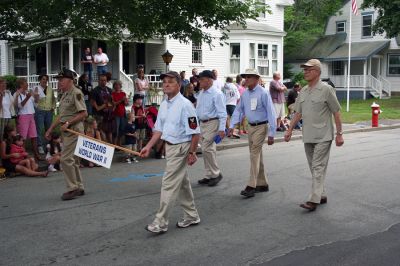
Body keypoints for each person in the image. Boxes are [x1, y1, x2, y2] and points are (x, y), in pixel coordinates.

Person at [140, 71, 201, 234]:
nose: (166, 84)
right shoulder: (165, 103)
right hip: (170, 147)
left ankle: (160, 222)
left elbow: (195, 132)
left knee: (168, 183)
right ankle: (191, 215)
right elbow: (159, 129)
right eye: (164, 82)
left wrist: (192, 152)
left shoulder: (186, 105)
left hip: (181, 147)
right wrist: (148, 146)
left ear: (179, 85)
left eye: (170, 82)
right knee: (182, 183)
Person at [284, 59, 344, 211]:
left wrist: (339, 134)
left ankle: (313, 199)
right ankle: (321, 194)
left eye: (308, 69)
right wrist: (289, 130)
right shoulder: (303, 90)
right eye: (304, 70)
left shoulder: (327, 89)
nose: (305, 72)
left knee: (317, 166)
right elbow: (298, 113)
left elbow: (336, 112)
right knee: (314, 167)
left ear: (317, 71)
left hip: (324, 135)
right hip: (308, 135)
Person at [228, 69, 277, 198]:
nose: (246, 79)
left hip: (261, 126)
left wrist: (272, 132)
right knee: (257, 155)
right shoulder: (245, 94)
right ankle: (262, 183)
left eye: (249, 77)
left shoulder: (263, 93)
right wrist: (232, 125)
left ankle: (251, 185)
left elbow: (271, 113)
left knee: (254, 154)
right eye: (245, 77)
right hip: (251, 127)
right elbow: (239, 111)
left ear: (256, 79)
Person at [45, 68, 88, 201]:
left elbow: (84, 113)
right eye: (58, 80)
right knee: (73, 160)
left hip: (74, 130)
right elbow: (61, 116)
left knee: (65, 159)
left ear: (70, 80)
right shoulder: (64, 94)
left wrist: (68, 123)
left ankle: (72, 188)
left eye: (61, 80)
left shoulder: (76, 93)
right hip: (67, 131)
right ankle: (79, 186)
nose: (59, 82)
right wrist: (50, 129)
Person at [196, 70, 227, 186]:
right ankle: (209, 175)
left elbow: (222, 113)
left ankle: (216, 173)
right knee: (207, 149)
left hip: (213, 122)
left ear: (209, 80)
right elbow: (198, 110)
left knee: (206, 148)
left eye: (201, 79)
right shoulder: (201, 93)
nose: (199, 81)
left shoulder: (217, 94)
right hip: (202, 123)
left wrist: (222, 129)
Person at [14, 78, 41, 160]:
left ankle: (36, 154)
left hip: (31, 115)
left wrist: (36, 97)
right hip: (23, 116)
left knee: (34, 136)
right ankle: (23, 155)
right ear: (21, 85)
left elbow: (35, 104)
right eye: (25, 83)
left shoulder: (27, 93)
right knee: (23, 137)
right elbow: (19, 106)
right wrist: (27, 97)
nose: (27, 84)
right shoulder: (17, 94)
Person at [33, 74, 56, 155]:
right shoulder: (36, 88)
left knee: (49, 129)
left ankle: (48, 146)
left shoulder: (50, 89)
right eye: (43, 79)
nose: (45, 81)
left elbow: (53, 99)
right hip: (40, 111)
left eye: (46, 79)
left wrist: (53, 107)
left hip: (49, 111)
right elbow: (34, 101)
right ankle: (40, 146)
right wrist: (36, 96)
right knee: (39, 128)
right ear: (40, 80)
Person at [91, 74, 113, 142]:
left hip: (108, 115)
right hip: (98, 115)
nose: (103, 82)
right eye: (102, 80)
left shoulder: (109, 90)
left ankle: (111, 147)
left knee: (109, 131)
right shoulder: (95, 91)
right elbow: (95, 106)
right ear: (98, 81)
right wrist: (104, 105)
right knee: (100, 131)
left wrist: (108, 107)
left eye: (105, 80)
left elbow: (112, 102)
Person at [112, 80, 127, 145]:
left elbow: (126, 104)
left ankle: (119, 143)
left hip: (123, 113)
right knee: (116, 129)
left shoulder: (123, 93)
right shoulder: (112, 94)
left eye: (118, 85)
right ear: (114, 86)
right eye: (116, 85)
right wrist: (121, 100)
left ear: (120, 86)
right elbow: (114, 103)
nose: (117, 86)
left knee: (121, 129)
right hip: (116, 114)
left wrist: (125, 100)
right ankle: (114, 144)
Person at [0, 77, 15, 143]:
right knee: (1, 135)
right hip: (1, 117)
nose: (4, 85)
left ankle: (7, 150)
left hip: (8, 116)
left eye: (5, 83)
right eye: (2, 83)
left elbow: (12, 104)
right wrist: (1, 96)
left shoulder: (8, 93)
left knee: (8, 135)